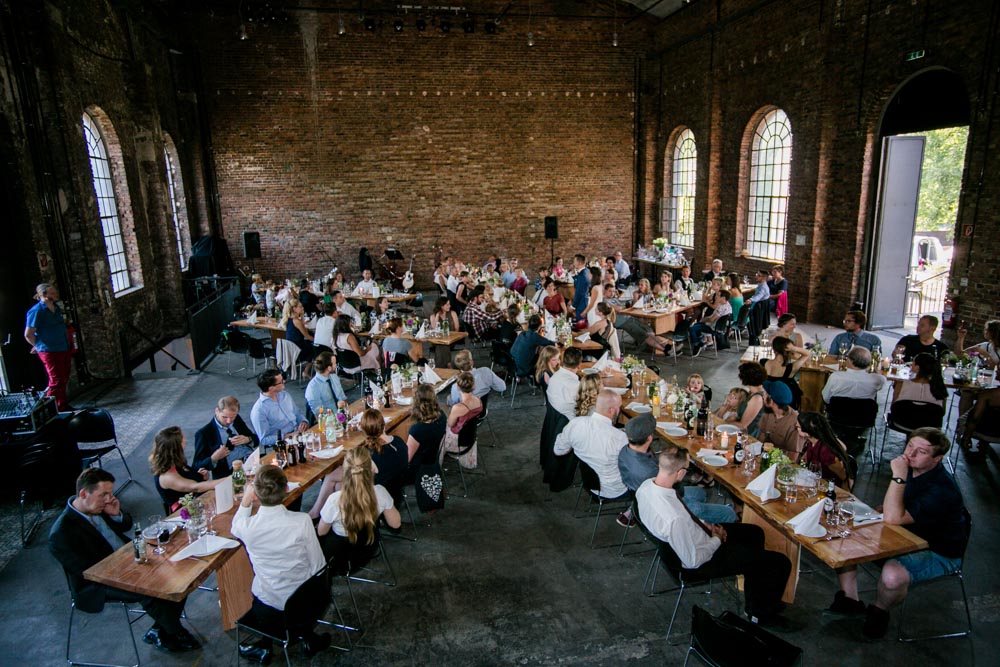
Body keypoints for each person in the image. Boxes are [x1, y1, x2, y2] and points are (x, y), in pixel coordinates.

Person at [831, 428, 969, 640]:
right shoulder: (913, 470)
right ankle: (850, 600)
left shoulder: (940, 488)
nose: (911, 454)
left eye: (922, 451)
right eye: (910, 446)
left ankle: (879, 612)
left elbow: (894, 518)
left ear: (937, 459)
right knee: (844, 535)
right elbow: (890, 509)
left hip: (937, 550)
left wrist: (898, 476)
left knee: (892, 575)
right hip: (902, 535)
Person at [636, 446, 793, 629]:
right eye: (688, 468)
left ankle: (758, 599)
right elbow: (693, 561)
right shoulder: (674, 519)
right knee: (780, 562)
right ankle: (761, 615)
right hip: (700, 558)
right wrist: (717, 539)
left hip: (694, 535)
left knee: (755, 533)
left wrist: (705, 524)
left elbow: (685, 517)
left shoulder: (646, 486)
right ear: (679, 473)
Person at [49, 468, 199, 652]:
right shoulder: (61, 533)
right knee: (150, 589)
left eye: (110, 493)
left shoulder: (98, 505)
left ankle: (161, 629)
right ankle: (173, 633)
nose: (108, 499)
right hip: (99, 581)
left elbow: (126, 523)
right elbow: (86, 572)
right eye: (103, 494)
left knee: (179, 569)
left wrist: (116, 514)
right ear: (83, 493)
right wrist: (128, 568)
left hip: (131, 558)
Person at [231, 465, 330, 663]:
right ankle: (307, 636)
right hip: (307, 603)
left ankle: (265, 646)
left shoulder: (248, 529)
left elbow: (235, 525)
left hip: (270, 610)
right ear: (286, 490)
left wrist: (246, 499)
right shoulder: (301, 521)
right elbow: (319, 565)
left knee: (260, 585)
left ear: (256, 495)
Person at [618, 413, 736, 524]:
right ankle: (701, 525)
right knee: (729, 513)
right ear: (649, 438)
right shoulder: (650, 472)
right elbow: (674, 491)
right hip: (665, 507)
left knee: (700, 493)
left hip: (642, 495)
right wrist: (686, 474)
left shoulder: (625, 451)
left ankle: (700, 519)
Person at [317, 447, 402, 569]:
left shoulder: (334, 500)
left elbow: (321, 531)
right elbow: (396, 524)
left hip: (341, 559)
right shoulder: (380, 492)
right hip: (369, 548)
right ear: (370, 469)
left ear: (345, 472)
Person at [553, 390, 629, 499]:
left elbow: (558, 450)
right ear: (612, 410)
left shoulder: (575, 424)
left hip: (589, 482)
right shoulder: (619, 438)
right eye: (619, 407)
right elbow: (632, 466)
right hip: (615, 489)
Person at [149, 426, 224, 514]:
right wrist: (228, 479)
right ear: (176, 446)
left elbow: (187, 474)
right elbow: (196, 487)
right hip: (185, 510)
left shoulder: (172, 459)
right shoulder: (167, 476)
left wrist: (198, 475)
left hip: (196, 497)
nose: (185, 440)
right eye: (182, 439)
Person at [23, 283, 72, 410]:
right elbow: (28, 334)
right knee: (56, 380)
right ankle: (49, 409)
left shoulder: (56, 308)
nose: (55, 295)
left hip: (63, 347)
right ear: (43, 295)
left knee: (64, 377)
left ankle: (62, 404)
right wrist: (38, 346)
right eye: (52, 293)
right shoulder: (36, 311)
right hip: (49, 350)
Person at [193, 396, 259, 479]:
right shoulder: (204, 433)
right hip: (229, 472)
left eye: (233, 417)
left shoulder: (236, 420)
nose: (229, 421)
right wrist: (214, 458)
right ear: (217, 411)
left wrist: (248, 439)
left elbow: (256, 439)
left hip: (250, 462)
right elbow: (196, 465)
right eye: (225, 417)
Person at [603, 284, 671, 353]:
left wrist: (626, 306)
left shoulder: (614, 299)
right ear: (605, 291)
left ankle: (668, 346)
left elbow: (624, 305)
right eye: (610, 291)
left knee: (648, 330)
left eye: (613, 291)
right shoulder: (605, 302)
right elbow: (617, 308)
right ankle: (665, 350)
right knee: (644, 335)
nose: (612, 293)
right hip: (622, 322)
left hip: (629, 317)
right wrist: (625, 307)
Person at [360, 408, 409, 503]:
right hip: (397, 493)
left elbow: (363, 484)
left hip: (380, 500)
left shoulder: (371, 455)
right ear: (384, 426)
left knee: (338, 479)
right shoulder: (399, 441)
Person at [250, 368, 309, 447]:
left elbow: (297, 412)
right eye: (281, 382)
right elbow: (264, 439)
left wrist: (303, 421)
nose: (284, 382)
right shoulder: (259, 410)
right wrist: (288, 436)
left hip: (300, 434)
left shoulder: (285, 395)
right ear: (271, 388)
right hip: (283, 443)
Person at [954, 319, 1000, 419]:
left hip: (995, 385)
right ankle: (962, 423)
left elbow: (995, 368)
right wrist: (961, 338)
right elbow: (960, 354)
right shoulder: (985, 345)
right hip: (981, 382)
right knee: (966, 392)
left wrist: (985, 354)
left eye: (987, 330)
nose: (985, 332)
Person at [797, 412, 854, 488]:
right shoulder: (812, 442)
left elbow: (844, 477)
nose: (796, 429)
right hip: (815, 483)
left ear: (807, 431)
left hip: (828, 489)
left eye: (798, 427)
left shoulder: (826, 452)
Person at [821, 346, 886, 404]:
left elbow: (826, 398)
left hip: (838, 414)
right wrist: (876, 370)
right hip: (865, 415)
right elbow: (882, 381)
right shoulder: (878, 379)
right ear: (869, 362)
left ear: (850, 361)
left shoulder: (835, 377)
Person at [757, 382, 802, 461]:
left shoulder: (795, 422)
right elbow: (762, 436)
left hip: (781, 462)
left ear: (771, 401)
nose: (763, 397)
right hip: (765, 457)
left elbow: (793, 455)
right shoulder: (768, 411)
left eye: (765, 394)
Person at [407, 383, 448, 467]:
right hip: (433, 458)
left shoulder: (417, 430)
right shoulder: (442, 416)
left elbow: (406, 459)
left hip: (420, 467)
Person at [763, 336, 809, 410]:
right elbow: (807, 354)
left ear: (774, 349)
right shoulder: (790, 368)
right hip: (784, 401)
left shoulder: (764, 362)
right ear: (788, 351)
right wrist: (793, 348)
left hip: (766, 398)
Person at [724, 362, 767, 437]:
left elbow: (743, 425)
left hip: (748, 435)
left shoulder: (757, 398)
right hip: (739, 428)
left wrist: (723, 423)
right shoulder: (754, 391)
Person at [688, 289, 732, 356]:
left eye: (718, 295)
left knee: (692, 328)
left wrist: (704, 319)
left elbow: (711, 319)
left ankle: (698, 344)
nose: (716, 297)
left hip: (713, 327)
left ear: (723, 298)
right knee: (696, 325)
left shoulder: (721, 308)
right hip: (720, 327)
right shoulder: (728, 305)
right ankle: (700, 341)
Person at [304, 351, 348, 415]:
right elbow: (319, 414)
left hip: (342, 414)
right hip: (329, 418)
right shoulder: (313, 387)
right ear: (329, 368)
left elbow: (342, 397)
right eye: (335, 363)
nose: (336, 365)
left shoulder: (334, 377)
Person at [546, 347, 582, 421]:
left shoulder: (553, 378)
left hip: (554, 419)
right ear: (579, 365)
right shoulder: (576, 386)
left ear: (562, 361)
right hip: (570, 421)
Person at [281, 298, 315, 373]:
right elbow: (307, 335)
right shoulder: (296, 321)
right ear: (294, 309)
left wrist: (302, 315)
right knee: (314, 349)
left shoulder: (289, 319)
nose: (302, 308)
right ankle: (306, 371)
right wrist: (316, 341)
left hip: (291, 347)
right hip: (297, 349)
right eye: (300, 307)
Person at [571, 254, 590, 321]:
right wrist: (574, 276)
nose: (573, 263)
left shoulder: (582, 275)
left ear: (579, 263)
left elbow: (579, 292)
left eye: (574, 261)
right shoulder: (587, 270)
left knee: (581, 323)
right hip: (585, 300)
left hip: (582, 303)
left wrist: (573, 306)